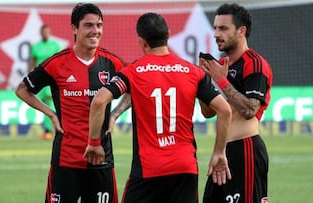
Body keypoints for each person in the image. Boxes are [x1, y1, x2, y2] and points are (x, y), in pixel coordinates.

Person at [84, 12, 232, 203]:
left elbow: (98, 101)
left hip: (148, 169)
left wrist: (94, 143)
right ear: (168, 35)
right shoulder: (193, 71)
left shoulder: (133, 71)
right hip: (185, 168)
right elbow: (224, 110)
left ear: (142, 41)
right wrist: (219, 152)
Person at [15, 3, 126, 203]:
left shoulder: (112, 63)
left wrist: (116, 113)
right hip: (66, 160)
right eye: (89, 25)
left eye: (99, 25)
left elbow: (134, 89)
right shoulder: (57, 63)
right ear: (74, 28)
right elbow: (22, 90)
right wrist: (51, 113)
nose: (95, 31)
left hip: (101, 160)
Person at [199, 3, 273, 203]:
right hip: (223, 151)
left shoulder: (255, 63)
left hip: (246, 150)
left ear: (241, 31)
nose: (216, 34)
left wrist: (221, 81)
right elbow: (207, 113)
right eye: (215, 28)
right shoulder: (222, 64)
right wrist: (204, 80)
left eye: (223, 28)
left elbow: (250, 109)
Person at [29, 24, 63, 140]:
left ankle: (51, 129)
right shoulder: (36, 47)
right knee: (44, 104)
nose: (46, 34)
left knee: (50, 102)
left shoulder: (55, 45)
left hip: (52, 78)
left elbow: (61, 61)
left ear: (50, 33)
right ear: (41, 33)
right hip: (40, 79)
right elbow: (32, 62)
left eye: (47, 32)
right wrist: (30, 75)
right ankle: (51, 128)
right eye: (44, 32)